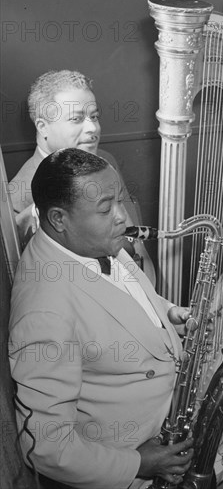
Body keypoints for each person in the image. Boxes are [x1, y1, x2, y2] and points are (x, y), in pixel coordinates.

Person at [9, 148, 193, 489]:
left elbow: (125, 295)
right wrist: (139, 463)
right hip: (131, 461)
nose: (122, 217)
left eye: (119, 201)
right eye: (106, 208)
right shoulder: (44, 312)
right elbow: (47, 446)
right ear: (59, 219)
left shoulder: (91, 241)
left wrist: (166, 314)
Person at [8, 70, 155, 283]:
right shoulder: (18, 201)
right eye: (76, 119)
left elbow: (135, 245)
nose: (93, 128)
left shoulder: (105, 160)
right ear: (42, 126)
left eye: (94, 117)